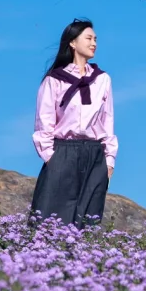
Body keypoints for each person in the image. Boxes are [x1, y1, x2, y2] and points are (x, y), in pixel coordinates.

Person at [30, 18, 118, 228]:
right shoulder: (54, 79)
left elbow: (108, 120)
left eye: (95, 39)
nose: (93, 43)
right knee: (50, 218)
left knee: (88, 220)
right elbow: (44, 122)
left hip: (95, 153)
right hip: (63, 151)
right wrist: (52, 158)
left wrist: (109, 160)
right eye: (88, 38)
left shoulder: (102, 79)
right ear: (72, 42)